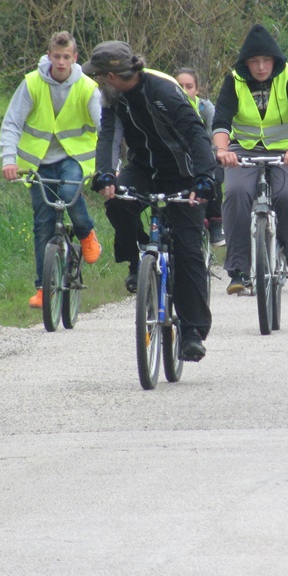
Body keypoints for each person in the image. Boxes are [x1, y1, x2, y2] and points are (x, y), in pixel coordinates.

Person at [85, 41, 216, 362]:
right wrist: (105, 174)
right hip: (144, 169)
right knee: (118, 202)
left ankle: (192, 332)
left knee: (187, 250)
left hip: (183, 173)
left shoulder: (163, 91)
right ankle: (136, 260)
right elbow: (108, 136)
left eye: (99, 76)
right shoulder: (113, 98)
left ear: (112, 76)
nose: (97, 82)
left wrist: (204, 177)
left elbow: (196, 133)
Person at [0, 30, 103, 310]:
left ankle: (86, 233)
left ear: (75, 58)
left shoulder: (87, 87)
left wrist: (108, 166)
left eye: (66, 57)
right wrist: (8, 160)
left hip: (73, 158)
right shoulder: (32, 84)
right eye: (56, 56)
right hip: (38, 162)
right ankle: (43, 288)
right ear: (49, 56)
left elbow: (105, 127)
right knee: (43, 224)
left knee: (69, 193)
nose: (61, 62)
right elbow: (12, 123)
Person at [211, 23, 288, 294]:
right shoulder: (234, 81)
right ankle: (238, 269)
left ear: (275, 60)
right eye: (254, 61)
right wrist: (221, 151)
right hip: (244, 150)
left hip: (287, 151)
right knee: (236, 193)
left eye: (266, 60)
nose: (260, 67)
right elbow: (221, 120)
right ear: (245, 63)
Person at [175, 67, 225, 247]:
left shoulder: (205, 108)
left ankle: (215, 221)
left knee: (213, 179)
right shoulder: (164, 107)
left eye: (189, 86)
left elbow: (215, 137)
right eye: (179, 86)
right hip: (179, 160)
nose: (184, 91)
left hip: (206, 158)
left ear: (197, 89)